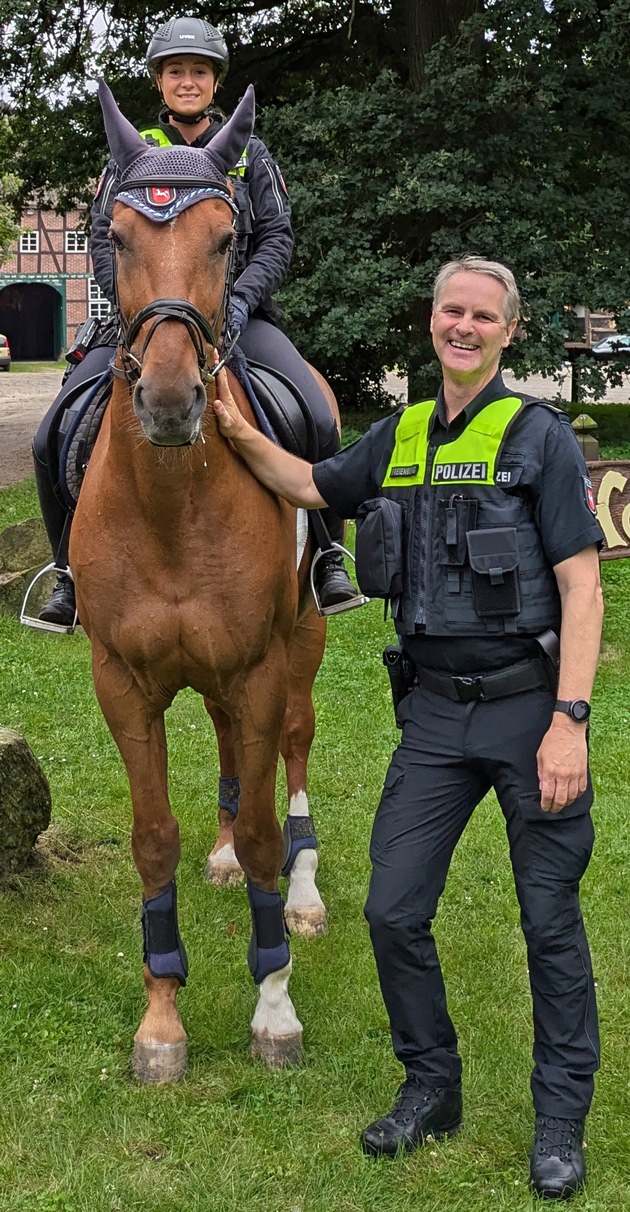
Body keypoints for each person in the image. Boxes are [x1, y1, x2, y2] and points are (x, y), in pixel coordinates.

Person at [211, 255, 604, 1201]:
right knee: (392, 911)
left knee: (548, 924)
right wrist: (232, 428)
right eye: (450, 312)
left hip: (526, 709)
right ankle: (432, 1085)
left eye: (482, 316)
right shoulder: (406, 432)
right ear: (432, 322)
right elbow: (311, 484)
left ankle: (559, 1121)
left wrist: (570, 722)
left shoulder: (537, 437)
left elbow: (581, 586)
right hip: (432, 712)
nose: (462, 328)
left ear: (509, 331)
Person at [33, 15, 357, 626]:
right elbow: (105, 238)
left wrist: (238, 302)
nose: (188, 81)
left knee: (314, 413)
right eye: (176, 70)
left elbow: (278, 236)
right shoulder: (131, 155)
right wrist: (134, 310)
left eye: (199, 71)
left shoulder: (250, 156)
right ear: (159, 81)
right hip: (143, 325)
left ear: (214, 82)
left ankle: (326, 554)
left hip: (237, 315)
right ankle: (67, 574)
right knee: (52, 431)